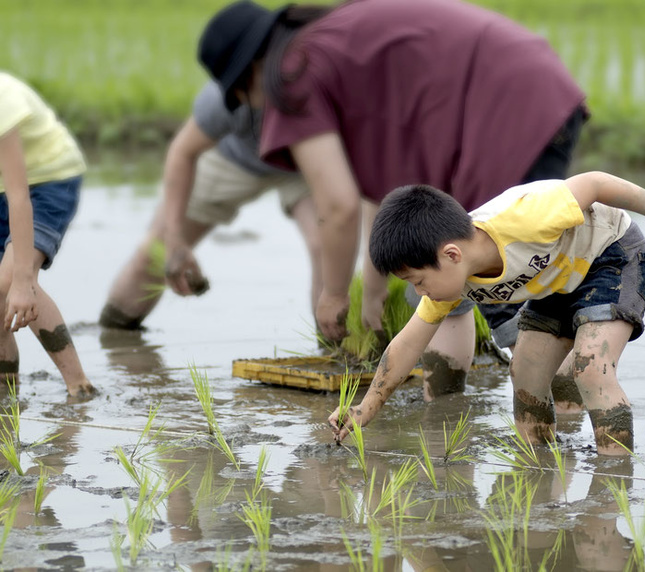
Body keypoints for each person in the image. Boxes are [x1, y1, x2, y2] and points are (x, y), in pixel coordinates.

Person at [217, 0, 589, 399]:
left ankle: (557, 409)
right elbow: (390, 192)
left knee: (494, 268)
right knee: (447, 277)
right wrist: (375, 290)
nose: (257, 107)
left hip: (507, 108)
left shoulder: (294, 71)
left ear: (252, 69)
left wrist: (335, 294)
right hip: (534, 85)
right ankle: (447, 416)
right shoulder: (335, 41)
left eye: (243, 94)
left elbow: (338, 206)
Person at [328, 172, 645, 455]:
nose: (418, 291)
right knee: (525, 371)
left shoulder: (526, 217)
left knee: (591, 367)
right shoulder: (450, 276)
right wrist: (365, 407)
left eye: (418, 281)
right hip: (554, 279)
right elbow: (406, 346)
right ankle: (537, 462)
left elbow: (596, 182)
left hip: (609, 254)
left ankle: (615, 472)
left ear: (452, 255)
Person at [99, 2, 322, 330]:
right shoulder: (220, 99)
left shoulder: (321, 71)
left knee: (327, 250)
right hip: (236, 159)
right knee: (155, 251)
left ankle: (337, 357)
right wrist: (174, 237)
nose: (239, 96)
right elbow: (182, 152)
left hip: (307, 167)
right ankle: (116, 336)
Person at [0, 71, 94, 396]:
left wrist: (23, 280)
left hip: (47, 181)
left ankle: (79, 387)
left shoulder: (2, 99)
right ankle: (5, 395)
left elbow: (18, 195)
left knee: (8, 280)